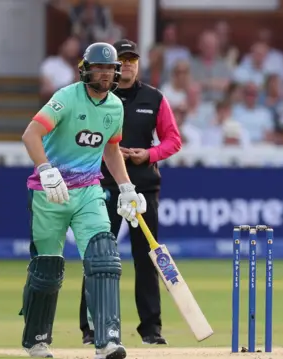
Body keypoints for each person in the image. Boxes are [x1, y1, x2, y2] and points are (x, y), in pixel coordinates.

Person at [20, 42, 147, 359]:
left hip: (89, 190)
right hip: (50, 192)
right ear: (86, 69)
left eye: (109, 68)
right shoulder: (66, 97)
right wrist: (46, 170)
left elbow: (111, 148)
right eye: (98, 68)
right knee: (47, 267)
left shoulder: (115, 106)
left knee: (104, 257)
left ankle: (107, 341)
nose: (104, 74)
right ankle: (37, 340)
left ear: (116, 72)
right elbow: (31, 134)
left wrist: (126, 187)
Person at [78, 39, 182, 346]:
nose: (128, 64)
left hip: (143, 189)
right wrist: (109, 152)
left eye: (132, 59)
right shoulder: (97, 96)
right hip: (103, 186)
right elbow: (82, 139)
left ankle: (151, 329)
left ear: (138, 63)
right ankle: (90, 328)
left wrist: (146, 155)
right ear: (113, 65)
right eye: (122, 60)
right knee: (98, 258)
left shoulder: (154, 98)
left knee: (147, 259)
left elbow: (173, 140)